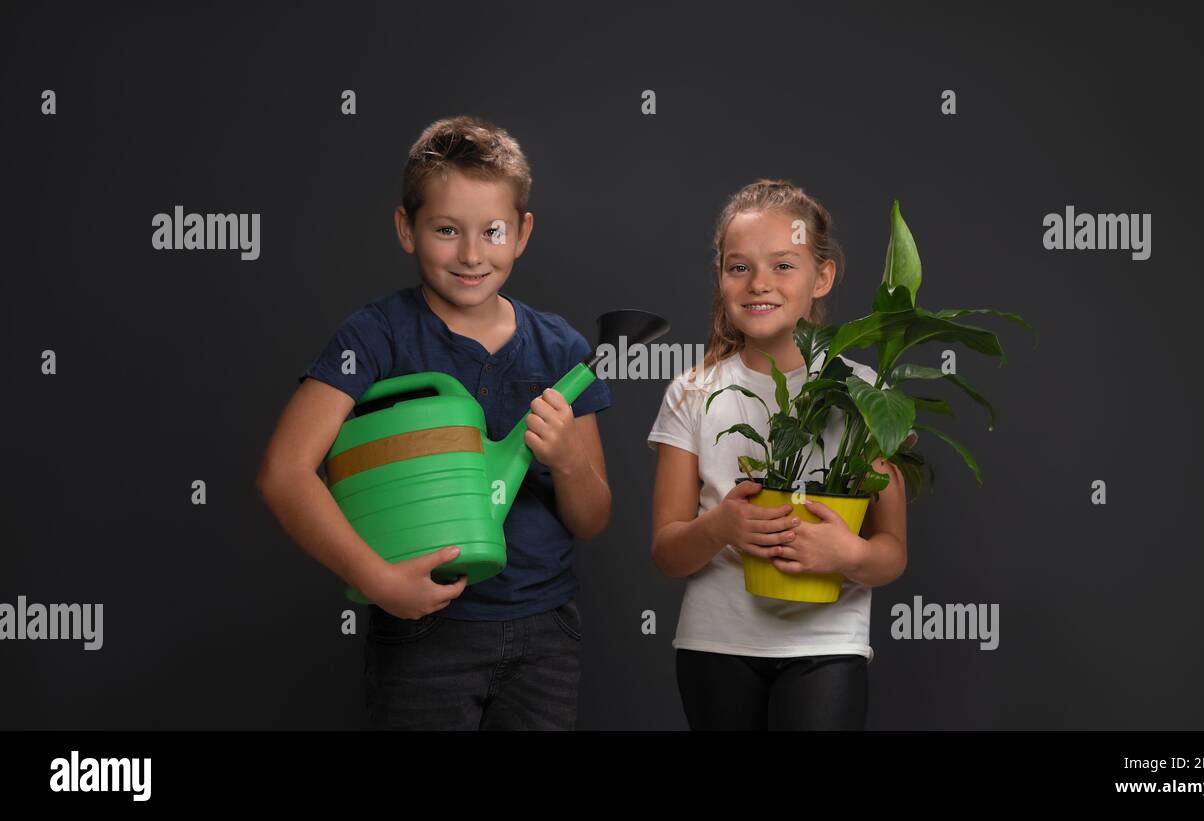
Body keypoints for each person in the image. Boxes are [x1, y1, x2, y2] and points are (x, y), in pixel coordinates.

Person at [255, 115, 612, 730]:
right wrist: (377, 581)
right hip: (423, 634)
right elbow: (283, 473)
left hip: (546, 633)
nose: (471, 254)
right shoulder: (374, 336)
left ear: (522, 233)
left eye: (492, 231)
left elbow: (592, 519)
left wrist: (570, 461)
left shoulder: (560, 348)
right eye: (446, 230)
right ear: (406, 228)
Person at [647, 179, 911, 730]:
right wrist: (721, 526)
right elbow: (668, 553)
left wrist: (848, 555)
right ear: (720, 278)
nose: (758, 283)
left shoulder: (867, 395)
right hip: (715, 646)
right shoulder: (692, 393)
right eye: (738, 267)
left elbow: (892, 552)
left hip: (826, 643)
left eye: (783, 265)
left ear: (823, 276)